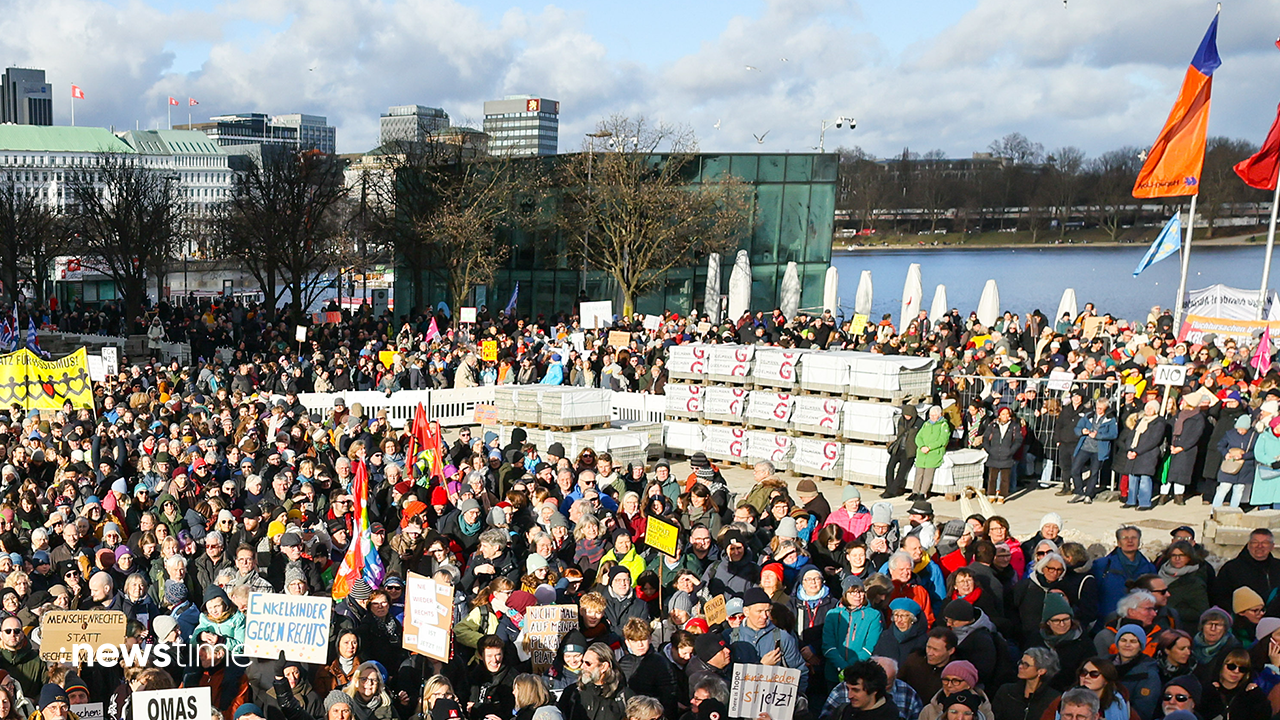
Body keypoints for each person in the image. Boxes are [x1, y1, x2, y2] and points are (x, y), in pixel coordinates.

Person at [823, 577, 883, 686]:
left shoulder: (873, 615)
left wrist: (851, 666)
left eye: (860, 592)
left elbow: (871, 646)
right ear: (845, 594)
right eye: (852, 592)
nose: (857, 595)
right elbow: (828, 645)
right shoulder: (833, 614)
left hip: (862, 673)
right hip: (834, 673)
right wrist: (842, 666)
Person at [1092, 527, 1155, 623]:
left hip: (1139, 621)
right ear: (1118, 542)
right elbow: (1093, 594)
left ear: (1139, 541)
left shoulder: (1149, 568)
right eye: (1125, 538)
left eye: (1134, 538)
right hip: (1107, 620)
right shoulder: (1102, 565)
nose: (1130, 541)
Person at [558, 643, 632, 720]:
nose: (582, 666)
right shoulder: (572, 693)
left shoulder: (623, 696)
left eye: (588, 663)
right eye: (582, 662)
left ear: (603, 666)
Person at [1197, 648, 1270, 720]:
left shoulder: (1252, 695)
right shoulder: (1207, 691)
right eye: (1231, 666)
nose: (1236, 671)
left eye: (1242, 669)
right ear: (1221, 666)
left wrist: (1256, 696)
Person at [1069, 398, 1117, 505]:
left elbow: (1113, 434)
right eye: (1097, 408)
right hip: (1085, 447)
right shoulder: (1089, 416)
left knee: (1094, 473)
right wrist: (1082, 431)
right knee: (1075, 469)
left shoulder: (1110, 419)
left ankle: (1089, 495)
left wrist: (1098, 435)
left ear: (1106, 408)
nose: (1098, 410)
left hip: (1099, 450)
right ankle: (1079, 491)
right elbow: (1077, 428)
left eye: (1101, 408)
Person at [990, 647, 1060, 720]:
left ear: (1041, 671)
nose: (1020, 666)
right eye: (1020, 662)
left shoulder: (1053, 699)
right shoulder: (1006, 692)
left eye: (1026, 665)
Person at [1121, 400, 1166, 511]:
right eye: (1147, 407)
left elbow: (1153, 440)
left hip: (1147, 454)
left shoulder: (1159, 423)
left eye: (1151, 408)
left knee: (1145, 479)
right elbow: (1131, 436)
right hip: (1134, 453)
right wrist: (1129, 449)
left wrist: (1137, 451)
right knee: (1132, 478)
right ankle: (1131, 500)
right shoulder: (1140, 421)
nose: (1148, 410)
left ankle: (1145, 503)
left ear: (1156, 410)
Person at [1108, 625, 1160, 720]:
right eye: (1123, 640)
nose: (1127, 645)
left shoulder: (1148, 673)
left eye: (1133, 641)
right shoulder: (1104, 665)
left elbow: (1143, 711)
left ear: (1140, 646)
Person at [832, 660, 900, 720]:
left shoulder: (889, 716)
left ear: (874, 690)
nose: (849, 696)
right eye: (848, 689)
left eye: (856, 690)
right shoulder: (844, 711)